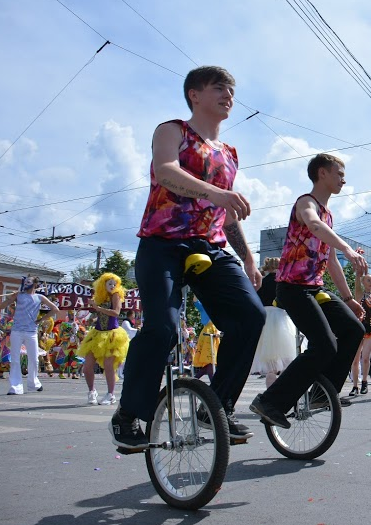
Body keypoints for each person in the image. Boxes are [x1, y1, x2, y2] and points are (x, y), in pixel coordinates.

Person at [110, 66, 266, 451]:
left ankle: (216, 406)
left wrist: (247, 258)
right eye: (219, 88)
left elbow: (226, 214)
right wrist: (214, 192)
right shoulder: (173, 130)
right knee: (162, 328)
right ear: (194, 94)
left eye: (232, 90)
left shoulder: (229, 154)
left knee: (251, 316)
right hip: (162, 243)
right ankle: (129, 414)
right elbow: (165, 172)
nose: (229, 95)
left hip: (210, 247)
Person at [249, 153, 367, 430]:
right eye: (339, 173)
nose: (343, 179)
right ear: (322, 173)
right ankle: (271, 401)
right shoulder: (306, 203)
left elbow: (332, 262)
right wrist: (348, 249)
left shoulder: (330, 216)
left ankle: (320, 395)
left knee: (354, 330)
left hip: (315, 288)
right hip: (292, 287)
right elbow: (313, 225)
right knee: (324, 344)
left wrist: (349, 299)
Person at [0, 276, 60, 395]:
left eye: (29, 281)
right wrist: (12, 298)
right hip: (17, 331)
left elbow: (55, 309)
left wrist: (41, 320)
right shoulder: (19, 295)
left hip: (31, 332)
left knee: (33, 359)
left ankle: (34, 384)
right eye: (25, 281)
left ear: (35, 284)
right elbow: (4, 305)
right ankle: (15, 386)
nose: (25, 283)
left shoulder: (39, 297)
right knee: (15, 359)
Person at [77, 273, 129, 406]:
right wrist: (91, 316)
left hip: (112, 335)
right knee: (87, 366)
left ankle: (111, 394)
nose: (112, 286)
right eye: (109, 284)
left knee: (108, 366)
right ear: (103, 285)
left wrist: (97, 308)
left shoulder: (116, 295)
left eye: (114, 284)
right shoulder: (100, 297)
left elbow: (116, 313)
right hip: (97, 333)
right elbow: (99, 314)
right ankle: (92, 391)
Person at [252, 257, 297, 388]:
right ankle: (284, 389)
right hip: (280, 317)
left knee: (270, 365)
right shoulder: (281, 282)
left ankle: (270, 393)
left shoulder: (262, 282)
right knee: (288, 358)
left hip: (264, 319)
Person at [351, 273, 371, 395]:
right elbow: (357, 283)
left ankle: (364, 382)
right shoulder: (359, 294)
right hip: (358, 329)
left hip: (370, 330)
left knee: (366, 358)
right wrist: (358, 271)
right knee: (355, 359)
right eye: (368, 280)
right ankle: (355, 386)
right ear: (363, 282)